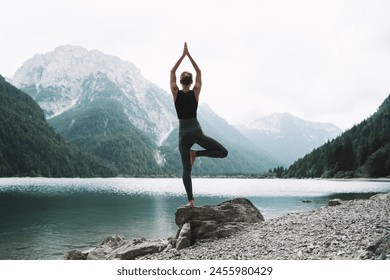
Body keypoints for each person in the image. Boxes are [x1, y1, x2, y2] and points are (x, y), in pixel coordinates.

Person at [170, 42, 228, 207]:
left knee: (186, 170)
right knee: (223, 152)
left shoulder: (175, 93)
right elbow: (199, 71)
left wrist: (182, 55)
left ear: (181, 82)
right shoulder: (196, 92)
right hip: (196, 131)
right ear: (191, 81)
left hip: (183, 135)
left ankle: (190, 201)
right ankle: (197, 154)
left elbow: (172, 71)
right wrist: (189, 55)